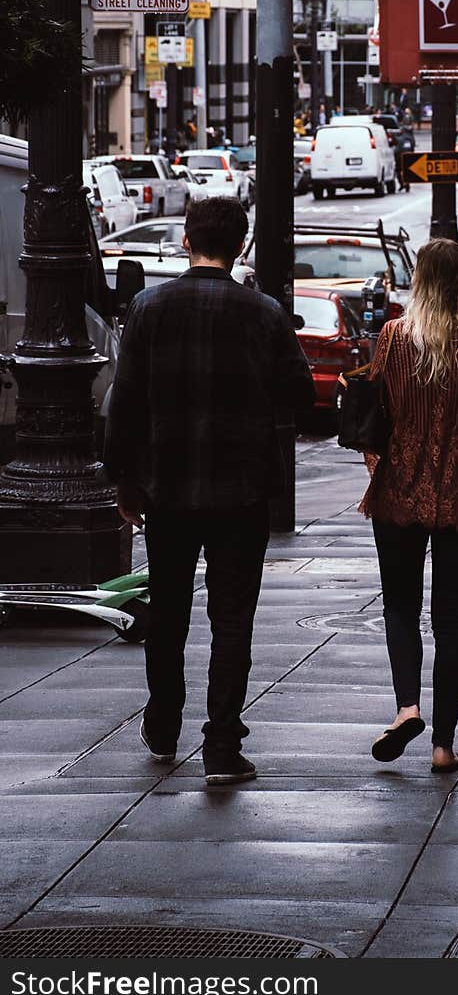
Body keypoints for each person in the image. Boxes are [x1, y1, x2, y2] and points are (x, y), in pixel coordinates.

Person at [103, 197, 315, 786]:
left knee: (168, 613)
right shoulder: (264, 312)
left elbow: (124, 404)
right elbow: (299, 394)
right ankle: (222, 743)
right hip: (241, 492)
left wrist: (124, 479)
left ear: (187, 241)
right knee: (231, 621)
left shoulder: (148, 308)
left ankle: (163, 723)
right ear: (241, 245)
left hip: (167, 488)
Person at [359, 239, 458, 774]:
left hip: (400, 488)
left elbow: (380, 408)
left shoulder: (394, 338)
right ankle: (443, 746)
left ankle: (407, 708)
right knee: (452, 621)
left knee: (399, 606)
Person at [396, 121, 416, 191]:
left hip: (400, 156)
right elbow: (413, 146)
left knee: (399, 170)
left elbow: (397, 149)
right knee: (407, 170)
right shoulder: (411, 138)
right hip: (409, 156)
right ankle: (407, 184)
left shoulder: (399, 138)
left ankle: (402, 184)